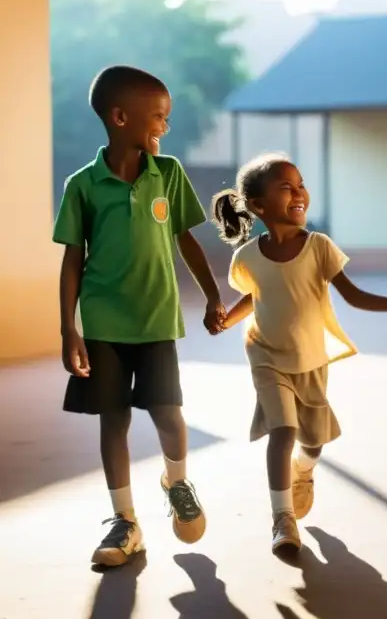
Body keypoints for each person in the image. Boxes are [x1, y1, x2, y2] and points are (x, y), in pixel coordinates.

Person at [54, 65, 224, 568]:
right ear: (120, 117)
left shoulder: (167, 174)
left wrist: (214, 297)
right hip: (104, 323)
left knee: (168, 413)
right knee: (115, 421)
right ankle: (124, 521)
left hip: (156, 322)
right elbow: (72, 259)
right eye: (158, 117)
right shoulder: (83, 185)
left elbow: (187, 239)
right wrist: (70, 328)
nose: (164, 127)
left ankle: (176, 481)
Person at [210, 153, 387, 555]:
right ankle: (282, 520)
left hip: (310, 360)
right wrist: (225, 320)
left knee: (313, 443)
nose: (299, 193)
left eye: (300, 184)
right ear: (258, 205)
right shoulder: (247, 256)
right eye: (286, 187)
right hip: (265, 354)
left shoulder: (319, 247)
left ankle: (303, 470)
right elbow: (255, 296)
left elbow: (354, 297)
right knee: (282, 431)